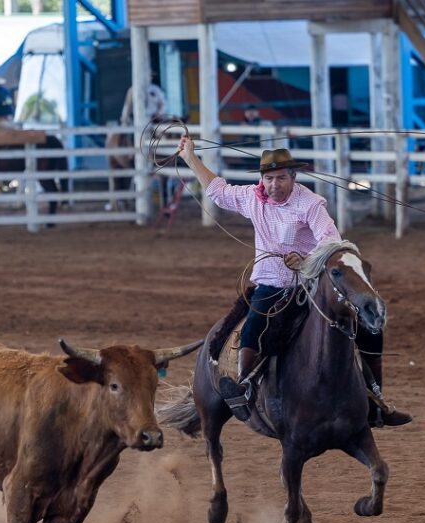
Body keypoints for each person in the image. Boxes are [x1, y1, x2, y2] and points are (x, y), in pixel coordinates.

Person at [176, 133, 412, 428]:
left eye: (281, 178)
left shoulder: (310, 204)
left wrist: (307, 261)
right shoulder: (252, 198)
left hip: (310, 286)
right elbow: (218, 191)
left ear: (293, 177)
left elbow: (332, 241)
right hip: (271, 284)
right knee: (252, 331)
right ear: (262, 179)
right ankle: (245, 387)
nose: (274, 185)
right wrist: (190, 158)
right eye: (269, 178)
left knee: (368, 327)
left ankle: (376, 400)